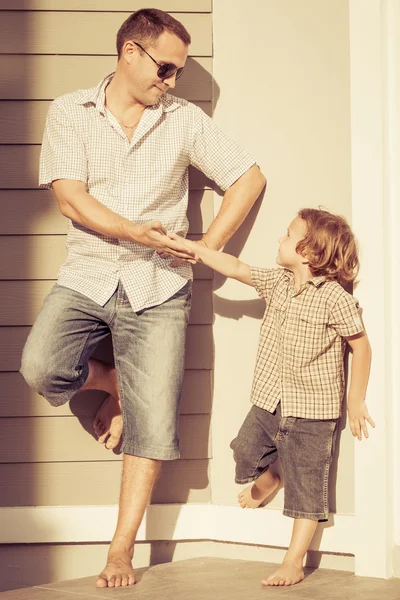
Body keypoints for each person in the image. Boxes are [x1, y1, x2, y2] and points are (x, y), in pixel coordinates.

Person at [19, 8, 266, 589]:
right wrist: (133, 231)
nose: (171, 81)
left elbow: (248, 178)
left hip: (160, 287)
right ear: (130, 52)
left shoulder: (182, 120)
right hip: (88, 274)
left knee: (152, 425)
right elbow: (71, 200)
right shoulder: (70, 111)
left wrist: (206, 247)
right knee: (40, 366)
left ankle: (120, 551)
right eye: (165, 68)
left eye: (178, 71)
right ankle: (115, 385)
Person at [171, 207, 374, 586]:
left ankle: (294, 561)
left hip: (313, 411)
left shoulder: (335, 299)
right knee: (244, 451)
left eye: (287, 234)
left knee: (307, 492)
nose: (279, 239)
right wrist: (191, 248)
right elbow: (235, 267)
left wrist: (354, 399)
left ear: (309, 252)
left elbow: (360, 347)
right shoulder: (278, 282)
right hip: (269, 400)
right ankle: (275, 473)